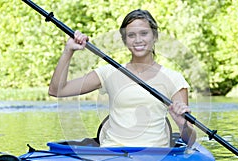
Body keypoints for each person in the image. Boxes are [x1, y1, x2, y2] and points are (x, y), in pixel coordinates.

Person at [48, 9, 197, 147]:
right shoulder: (109, 72)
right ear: (125, 40)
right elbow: (57, 90)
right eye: (131, 35)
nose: (138, 40)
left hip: (155, 154)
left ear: (155, 36)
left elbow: (190, 140)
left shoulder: (174, 78)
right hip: (112, 153)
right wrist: (69, 50)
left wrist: (182, 124)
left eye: (144, 33)